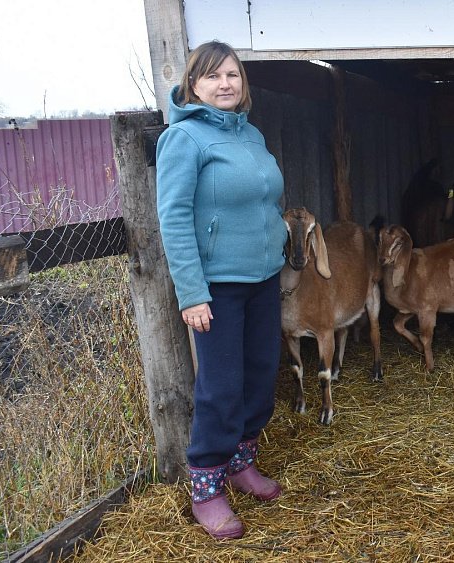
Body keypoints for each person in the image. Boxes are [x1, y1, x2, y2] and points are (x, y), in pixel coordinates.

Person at [155, 40, 288, 540]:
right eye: (212, 77)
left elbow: (265, 200)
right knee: (221, 385)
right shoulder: (183, 139)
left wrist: (279, 240)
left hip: (264, 278)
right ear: (193, 85)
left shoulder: (251, 134)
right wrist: (191, 292)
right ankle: (206, 486)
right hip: (218, 287)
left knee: (260, 374)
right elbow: (173, 217)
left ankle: (241, 462)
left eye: (232, 75)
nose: (225, 84)